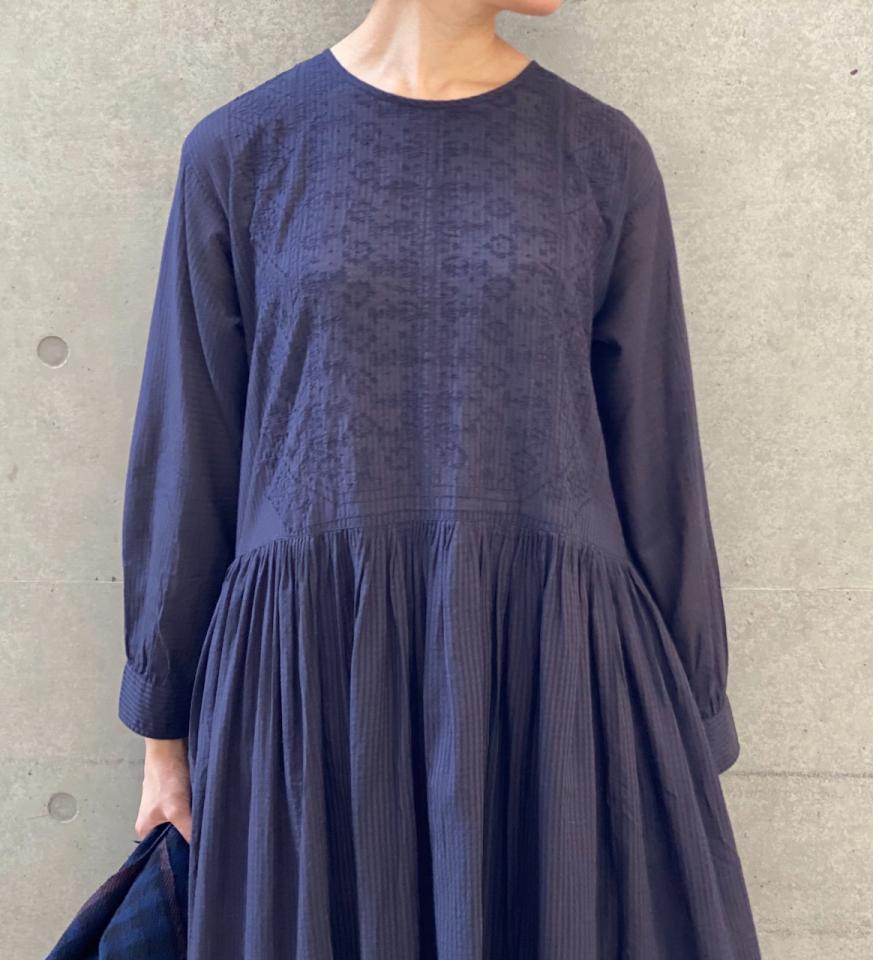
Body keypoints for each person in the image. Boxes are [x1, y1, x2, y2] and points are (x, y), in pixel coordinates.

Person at [118, 1, 763, 957]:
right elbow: (190, 449)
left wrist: (694, 721)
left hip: (548, 680)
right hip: (315, 688)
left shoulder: (601, 154)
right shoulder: (243, 151)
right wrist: (162, 738)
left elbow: (658, 451)